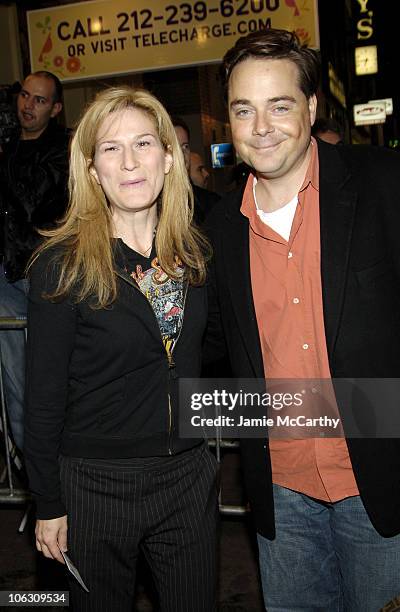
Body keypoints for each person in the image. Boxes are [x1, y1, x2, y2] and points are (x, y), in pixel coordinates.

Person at [206, 28, 400, 611]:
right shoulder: (220, 231)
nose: (261, 126)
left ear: (310, 107)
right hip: (281, 498)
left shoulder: (391, 184)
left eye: (279, 105)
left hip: (384, 486)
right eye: (243, 110)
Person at [24, 87, 218, 612]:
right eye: (111, 148)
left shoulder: (194, 254)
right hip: (94, 486)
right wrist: (47, 502)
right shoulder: (61, 265)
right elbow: (41, 398)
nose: (130, 162)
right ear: (91, 169)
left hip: (188, 478)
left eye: (143, 143)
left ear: (169, 156)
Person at [0, 71, 69, 450]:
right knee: (16, 382)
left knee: (54, 379)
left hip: (46, 276)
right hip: (7, 274)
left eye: (39, 100)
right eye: (24, 95)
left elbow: (31, 201)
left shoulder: (61, 149)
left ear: (55, 108)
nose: (27, 105)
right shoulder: (9, 145)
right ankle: (37, 480)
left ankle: (65, 473)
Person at [172, 117, 220, 223]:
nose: (182, 155)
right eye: (173, 148)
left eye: (185, 146)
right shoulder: (147, 207)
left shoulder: (212, 205)